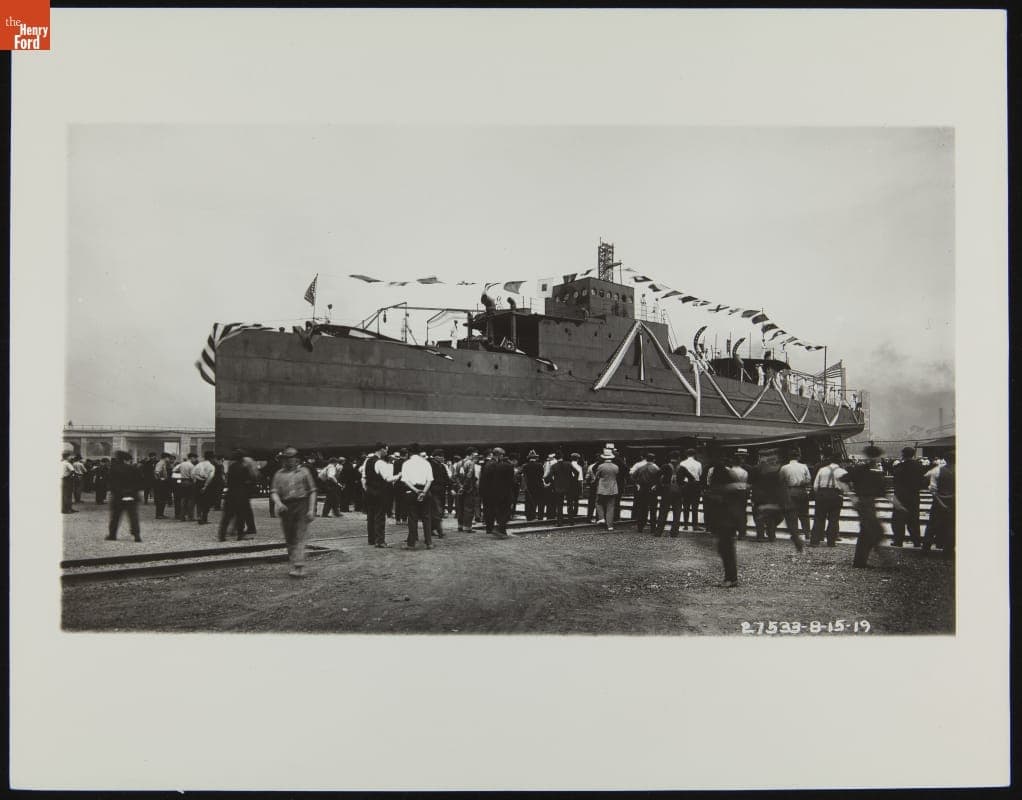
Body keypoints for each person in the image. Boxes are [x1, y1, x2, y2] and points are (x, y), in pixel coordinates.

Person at [269, 446, 318, 577]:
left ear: (297, 459)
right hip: (286, 507)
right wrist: (279, 504)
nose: (289, 461)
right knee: (290, 537)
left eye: (291, 458)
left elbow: (312, 491)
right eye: (286, 458)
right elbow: (274, 492)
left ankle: (299, 565)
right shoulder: (278, 474)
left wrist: (311, 509)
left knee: (300, 535)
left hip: (302, 505)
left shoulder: (304, 472)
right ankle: (295, 564)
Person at [838, 445, 887, 568]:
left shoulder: (873, 470)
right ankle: (883, 558)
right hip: (863, 503)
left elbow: (882, 491)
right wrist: (852, 496)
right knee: (874, 530)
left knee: (867, 531)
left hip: (868, 503)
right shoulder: (862, 469)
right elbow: (842, 480)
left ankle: (860, 561)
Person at [705, 450, 743, 587]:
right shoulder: (731, 481)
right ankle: (731, 577)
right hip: (729, 521)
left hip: (724, 521)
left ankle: (730, 578)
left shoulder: (719, 489)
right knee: (727, 550)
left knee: (726, 550)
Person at [362, 442, 399, 548]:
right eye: (386, 450)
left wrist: (367, 489)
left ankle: (371, 539)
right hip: (380, 492)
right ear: (381, 449)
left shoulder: (367, 461)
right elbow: (387, 478)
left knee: (371, 516)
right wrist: (398, 476)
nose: (387, 452)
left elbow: (364, 477)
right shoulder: (379, 462)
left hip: (369, 491)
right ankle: (380, 541)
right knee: (380, 516)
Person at [219, 449, 260, 541]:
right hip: (242, 494)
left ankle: (222, 535)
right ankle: (240, 535)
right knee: (240, 515)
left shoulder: (231, 467)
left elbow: (228, 481)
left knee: (227, 516)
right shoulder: (244, 467)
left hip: (230, 494)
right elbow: (249, 480)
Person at [921, 450, 955, 559]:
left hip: (939, 501)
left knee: (932, 526)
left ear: (945, 459)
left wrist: (941, 502)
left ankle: (925, 549)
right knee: (952, 526)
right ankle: (948, 550)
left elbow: (932, 489)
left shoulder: (937, 470)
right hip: (954, 501)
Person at [891, 446, 926, 547]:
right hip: (914, 496)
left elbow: (895, 480)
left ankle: (898, 541)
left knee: (898, 520)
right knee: (914, 519)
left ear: (903, 454)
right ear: (913, 454)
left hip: (900, 496)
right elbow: (923, 481)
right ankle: (916, 541)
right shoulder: (919, 466)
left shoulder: (899, 467)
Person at [478, 446, 516, 538]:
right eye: (502, 455)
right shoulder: (494, 464)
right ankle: (495, 529)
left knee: (491, 510)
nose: (503, 456)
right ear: (499, 455)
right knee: (498, 510)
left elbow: (482, 479)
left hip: (489, 491)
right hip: (494, 491)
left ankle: (492, 529)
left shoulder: (488, 464)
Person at [105, 451, 143, 542]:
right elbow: (140, 482)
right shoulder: (134, 469)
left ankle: (112, 535)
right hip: (132, 495)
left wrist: (116, 492)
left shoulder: (113, 469)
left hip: (118, 496)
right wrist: (134, 492)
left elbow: (110, 483)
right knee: (133, 516)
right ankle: (136, 535)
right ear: (127, 459)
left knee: (115, 516)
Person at [655, 451, 694, 536]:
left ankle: (658, 532)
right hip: (678, 491)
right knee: (677, 512)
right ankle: (674, 532)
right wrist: (684, 486)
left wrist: (661, 486)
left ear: (670, 458)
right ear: (679, 458)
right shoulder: (682, 468)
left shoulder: (665, 466)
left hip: (666, 491)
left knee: (663, 512)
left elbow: (656, 476)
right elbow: (692, 479)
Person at [810, 456, 847, 547]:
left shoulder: (822, 470)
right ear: (840, 462)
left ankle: (815, 541)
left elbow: (815, 486)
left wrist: (819, 493)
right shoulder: (842, 472)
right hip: (836, 495)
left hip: (822, 494)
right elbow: (846, 487)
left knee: (819, 518)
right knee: (834, 519)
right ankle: (831, 542)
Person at [748, 453, 784, 542]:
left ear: (759, 458)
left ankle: (760, 536)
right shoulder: (773, 469)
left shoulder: (754, 469)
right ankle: (772, 536)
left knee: (758, 516)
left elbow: (750, 482)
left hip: (758, 496)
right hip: (770, 496)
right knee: (770, 517)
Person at [779, 449, 811, 549]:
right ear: (798, 456)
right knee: (804, 513)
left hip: (790, 491)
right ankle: (807, 533)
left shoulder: (784, 468)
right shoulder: (804, 466)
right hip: (802, 491)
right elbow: (808, 479)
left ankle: (795, 534)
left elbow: (780, 480)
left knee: (792, 514)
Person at [629, 452, 661, 533]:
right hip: (652, 490)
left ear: (646, 459)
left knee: (642, 509)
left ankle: (640, 527)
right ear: (654, 460)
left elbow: (632, 477)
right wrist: (656, 485)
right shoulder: (656, 468)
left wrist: (637, 484)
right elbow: (660, 479)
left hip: (642, 489)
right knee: (653, 509)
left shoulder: (640, 468)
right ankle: (653, 528)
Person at [452, 449, 479, 532]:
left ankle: (460, 526)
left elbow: (455, 476)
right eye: (475, 455)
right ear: (471, 454)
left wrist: (459, 486)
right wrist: (464, 487)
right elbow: (469, 476)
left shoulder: (458, 463)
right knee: (469, 508)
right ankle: (467, 527)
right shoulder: (471, 463)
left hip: (459, 489)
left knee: (460, 507)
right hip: (469, 489)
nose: (476, 457)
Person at [547, 452, 577, 525]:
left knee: (559, 505)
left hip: (558, 487)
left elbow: (549, 477)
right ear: (562, 457)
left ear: (556, 458)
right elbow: (577, 472)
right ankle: (571, 521)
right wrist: (572, 480)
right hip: (569, 486)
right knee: (570, 504)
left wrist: (553, 483)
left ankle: (560, 522)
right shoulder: (568, 464)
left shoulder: (554, 466)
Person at [593, 449, 620, 530]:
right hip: (613, 488)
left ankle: (601, 518)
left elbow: (597, 476)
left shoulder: (601, 466)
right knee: (610, 507)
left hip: (602, 488)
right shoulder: (616, 467)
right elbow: (617, 475)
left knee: (598, 503)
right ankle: (610, 526)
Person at [679, 449, 704, 530]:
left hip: (686, 485)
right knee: (695, 506)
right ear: (694, 455)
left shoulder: (682, 463)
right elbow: (700, 474)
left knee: (685, 505)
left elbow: (680, 475)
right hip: (695, 485)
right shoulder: (698, 463)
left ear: (686, 455)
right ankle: (695, 525)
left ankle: (685, 524)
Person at [428, 449, 448, 539]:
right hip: (433, 491)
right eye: (441, 456)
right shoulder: (431, 466)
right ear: (436, 457)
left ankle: (431, 529)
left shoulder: (442, 466)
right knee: (437, 511)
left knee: (438, 511)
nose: (443, 458)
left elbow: (446, 478)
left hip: (441, 491)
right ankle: (440, 531)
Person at [192, 451, 216, 525]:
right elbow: (210, 477)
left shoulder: (198, 465)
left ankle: (199, 517)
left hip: (198, 484)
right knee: (207, 502)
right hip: (207, 485)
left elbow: (193, 474)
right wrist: (205, 486)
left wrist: (198, 479)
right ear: (211, 458)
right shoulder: (211, 466)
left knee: (199, 501)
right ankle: (204, 518)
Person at [521, 450, 546, 521]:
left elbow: (523, 475)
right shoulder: (540, 465)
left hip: (529, 486)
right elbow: (542, 475)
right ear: (535, 458)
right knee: (540, 501)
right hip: (538, 485)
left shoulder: (525, 466)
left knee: (529, 502)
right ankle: (540, 517)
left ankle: (530, 516)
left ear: (529, 458)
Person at [177, 452, 198, 521]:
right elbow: (193, 476)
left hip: (182, 482)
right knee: (191, 500)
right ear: (192, 458)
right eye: (195, 458)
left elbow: (174, 469)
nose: (195, 460)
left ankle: (182, 516)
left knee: (183, 499)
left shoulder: (182, 464)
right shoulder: (191, 466)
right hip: (189, 482)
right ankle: (190, 516)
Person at [152, 452, 175, 519]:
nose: (169, 459)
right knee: (161, 499)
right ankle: (159, 514)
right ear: (165, 457)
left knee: (163, 498)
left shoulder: (163, 463)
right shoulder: (161, 463)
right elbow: (156, 472)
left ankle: (161, 514)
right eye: (168, 458)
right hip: (160, 483)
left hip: (162, 483)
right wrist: (160, 479)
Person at [567, 453, 585, 518]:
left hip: (569, 484)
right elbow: (580, 479)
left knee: (569, 500)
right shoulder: (579, 467)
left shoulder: (568, 465)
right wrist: (581, 489)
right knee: (576, 500)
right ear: (577, 459)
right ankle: (575, 513)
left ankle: (570, 513)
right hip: (576, 484)